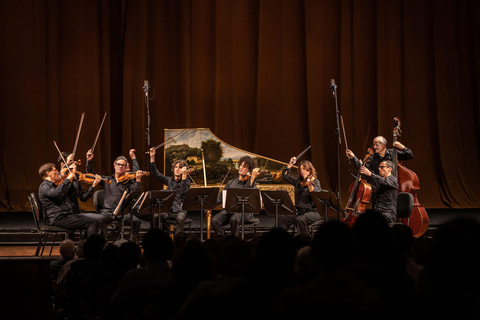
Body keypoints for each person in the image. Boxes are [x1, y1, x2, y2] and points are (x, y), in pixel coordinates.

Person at [38, 163, 103, 237]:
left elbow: (65, 191)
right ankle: (87, 246)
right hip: (58, 218)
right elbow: (56, 193)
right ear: (48, 173)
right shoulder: (44, 186)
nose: (58, 172)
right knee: (93, 221)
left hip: (66, 215)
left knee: (96, 220)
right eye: (55, 170)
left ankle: (84, 245)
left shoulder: (54, 185)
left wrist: (72, 179)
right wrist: (68, 179)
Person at [96, 155, 144, 243]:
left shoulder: (128, 182)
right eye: (119, 164)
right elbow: (92, 175)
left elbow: (136, 193)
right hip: (107, 212)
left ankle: (132, 243)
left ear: (126, 168)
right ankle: (105, 242)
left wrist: (138, 180)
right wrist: (89, 161)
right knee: (99, 219)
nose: (120, 166)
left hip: (122, 213)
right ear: (114, 165)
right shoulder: (108, 180)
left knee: (137, 221)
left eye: (123, 165)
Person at [58, 151, 106, 234]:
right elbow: (63, 190)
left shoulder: (76, 177)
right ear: (62, 164)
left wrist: (93, 185)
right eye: (70, 164)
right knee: (94, 221)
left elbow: (83, 198)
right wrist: (71, 171)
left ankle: (88, 243)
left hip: (75, 212)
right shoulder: (59, 181)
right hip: (65, 215)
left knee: (100, 219)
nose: (73, 167)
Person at [211, 156, 260, 238]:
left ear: (249, 170)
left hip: (245, 212)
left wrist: (252, 178)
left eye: (244, 166)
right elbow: (221, 197)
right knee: (215, 221)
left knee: (234, 219)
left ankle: (235, 241)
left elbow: (249, 194)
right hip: (231, 210)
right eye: (240, 165)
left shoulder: (251, 182)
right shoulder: (231, 182)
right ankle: (225, 239)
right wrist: (210, 205)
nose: (240, 168)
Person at [149, 147, 191, 234]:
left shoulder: (186, 182)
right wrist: (152, 157)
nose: (177, 169)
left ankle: (177, 241)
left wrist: (184, 176)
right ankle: (158, 238)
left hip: (180, 210)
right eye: (175, 167)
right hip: (168, 210)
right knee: (156, 216)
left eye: (180, 168)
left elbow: (183, 192)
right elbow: (156, 174)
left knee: (180, 219)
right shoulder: (169, 181)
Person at [280, 156, 323, 236]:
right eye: (300, 170)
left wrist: (310, 184)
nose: (302, 171)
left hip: (313, 212)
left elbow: (316, 194)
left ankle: (304, 241)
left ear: (309, 170)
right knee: (284, 218)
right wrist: (290, 164)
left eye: (304, 169)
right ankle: (280, 239)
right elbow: (284, 176)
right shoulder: (298, 182)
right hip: (300, 211)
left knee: (300, 219)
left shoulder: (315, 182)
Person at [346, 135, 413, 175]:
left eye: (377, 145)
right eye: (374, 145)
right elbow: (364, 169)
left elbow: (409, 156)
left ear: (383, 145)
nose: (374, 147)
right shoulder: (372, 157)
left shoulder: (393, 153)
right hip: (379, 188)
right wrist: (353, 157)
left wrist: (403, 147)